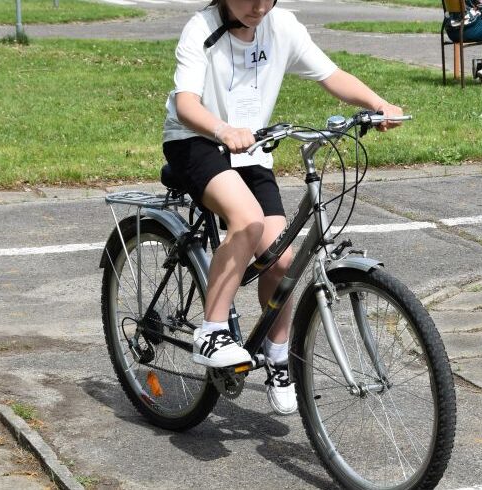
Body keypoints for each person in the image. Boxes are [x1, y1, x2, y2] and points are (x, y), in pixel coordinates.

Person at [162, 0, 403, 415]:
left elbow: (331, 75)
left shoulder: (281, 26)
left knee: (282, 259)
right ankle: (212, 330)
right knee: (248, 220)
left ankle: (277, 355)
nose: (258, 6)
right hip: (196, 142)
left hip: (250, 149)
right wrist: (222, 128)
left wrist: (377, 104)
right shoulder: (199, 28)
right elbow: (186, 104)